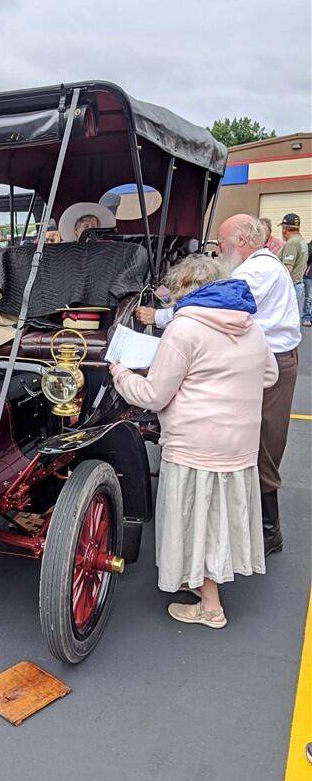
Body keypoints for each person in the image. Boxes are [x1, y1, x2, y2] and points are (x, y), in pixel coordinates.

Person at [110, 255, 278, 628]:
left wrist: (120, 373)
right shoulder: (249, 326)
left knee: (197, 520)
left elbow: (153, 395)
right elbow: (270, 374)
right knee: (218, 519)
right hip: (239, 442)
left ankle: (211, 607)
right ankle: (202, 585)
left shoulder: (184, 329)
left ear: (184, 288)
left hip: (194, 443)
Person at [216, 214, 300, 556]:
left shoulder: (258, 269)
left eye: (222, 243)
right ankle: (254, 524)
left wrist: (165, 315)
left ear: (241, 241)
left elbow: (226, 301)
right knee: (253, 439)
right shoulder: (256, 266)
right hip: (267, 361)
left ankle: (269, 533)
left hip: (274, 365)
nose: (219, 250)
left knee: (263, 442)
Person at [279, 213, 308, 315]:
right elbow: (304, 266)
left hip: (291, 287)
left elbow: (288, 268)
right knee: (295, 323)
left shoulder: (292, 243)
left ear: (285, 229)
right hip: (299, 284)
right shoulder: (302, 241)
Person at [302, 239, 312, 327]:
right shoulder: (309, 247)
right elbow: (306, 261)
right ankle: (306, 317)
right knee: (308, 298)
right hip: (309, 276)